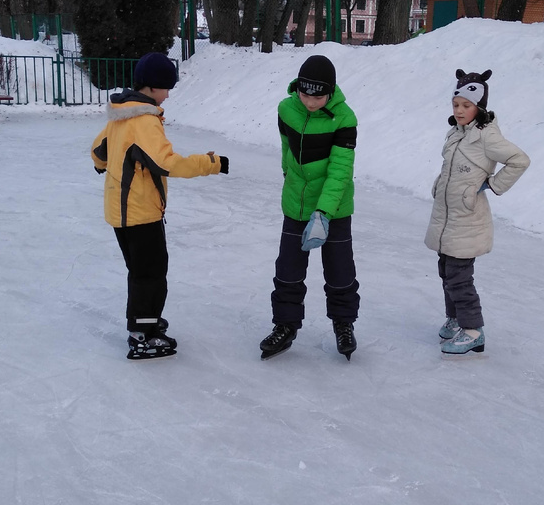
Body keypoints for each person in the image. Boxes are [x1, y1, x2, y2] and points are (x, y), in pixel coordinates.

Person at [90, 52, 229, 360]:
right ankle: (142, 334)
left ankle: (147, 320)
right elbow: (167, 163)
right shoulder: (144, 121)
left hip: (120, 210)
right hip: (140, 212)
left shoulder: (121, 114)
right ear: (152, 87)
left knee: (141, 270)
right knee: (151, 274)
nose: (168, 94)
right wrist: (211, 163)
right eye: (166, 87)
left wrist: (104, 165)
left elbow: (99, 150)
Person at [259, 54, 360, 361]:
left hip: (334, 210)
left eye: (318, 96)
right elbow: (286, 147)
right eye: (305, 94)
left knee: (340, 273)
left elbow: (340, 171)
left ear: (330, 92)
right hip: (296, 204)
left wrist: (323, 213)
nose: (310, 102)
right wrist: (287, 174)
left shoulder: (344, 119)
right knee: (287, 272)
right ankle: (285, 325)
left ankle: (344, 324)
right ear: (298, 88)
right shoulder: (286, 109)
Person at [425, 69, 530, 358]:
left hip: (467, 220)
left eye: (466, 105)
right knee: (446, 272)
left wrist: (492, 184)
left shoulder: (486, 136)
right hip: (448, 217)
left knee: (459, 277)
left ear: (479, 107)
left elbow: (519, 160)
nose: (459, 111)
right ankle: (456, 319)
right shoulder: (456, 133)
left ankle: (473, 331)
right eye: (455, 104)